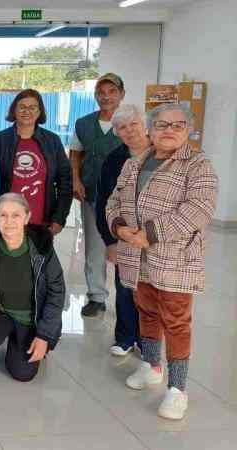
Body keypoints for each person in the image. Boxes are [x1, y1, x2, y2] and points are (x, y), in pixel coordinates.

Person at [106, 103, 218, 420]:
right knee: (147, 311)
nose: (169, 130)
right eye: (162, 124)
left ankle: (177, 389)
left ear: (188, 130)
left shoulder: (198, 165)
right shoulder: (134, 163)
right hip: (136, 255)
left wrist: (151, 233)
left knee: (177, 321)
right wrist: (118, 226)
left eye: (177, 125)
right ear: (151, 129)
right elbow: (114, 200)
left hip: (175, 257)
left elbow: (200, 208)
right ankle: (152, 366)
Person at [0, 193, 65, 382]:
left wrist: (44, 335)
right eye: (3, 215)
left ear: (27, 217)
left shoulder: (42, 247)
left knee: (23, 373)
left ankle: (20, 341)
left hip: (30, 318)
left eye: (15, 215)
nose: (9, 221)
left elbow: (56, 292)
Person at [94, 105, 151, 357]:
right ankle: (126, 337)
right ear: (116, 133)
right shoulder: (115, 160)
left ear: (145, 125)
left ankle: (149, 340)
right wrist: (110, 241)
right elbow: (104, 202)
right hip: (124, 236)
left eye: (133, 124)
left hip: (155, 238)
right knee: (125, 286)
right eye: (122, 128)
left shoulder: (163, 155)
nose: (129, 131)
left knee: (151, 291)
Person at [69, 73, 126, 318]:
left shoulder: (131, 122)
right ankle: (97, 296)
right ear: (95, 96)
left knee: (125, 248)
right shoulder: (83, 123)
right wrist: (75, 179)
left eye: (112, 92)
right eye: (101, 93)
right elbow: (75, 153)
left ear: (121, 94)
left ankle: (130, 297)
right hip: (92, 194)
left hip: (124, 198)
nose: (106, 97)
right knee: (94, 247)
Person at [0, 89, 72, 234]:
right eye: (22, 107)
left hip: (42, 223)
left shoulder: (52, 141)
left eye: (32, 107)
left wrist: (60, 218)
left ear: (39, 112)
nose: (26, 111)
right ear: (14, 110)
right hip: (6, 222)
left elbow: (65, 181)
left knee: (38, 257)